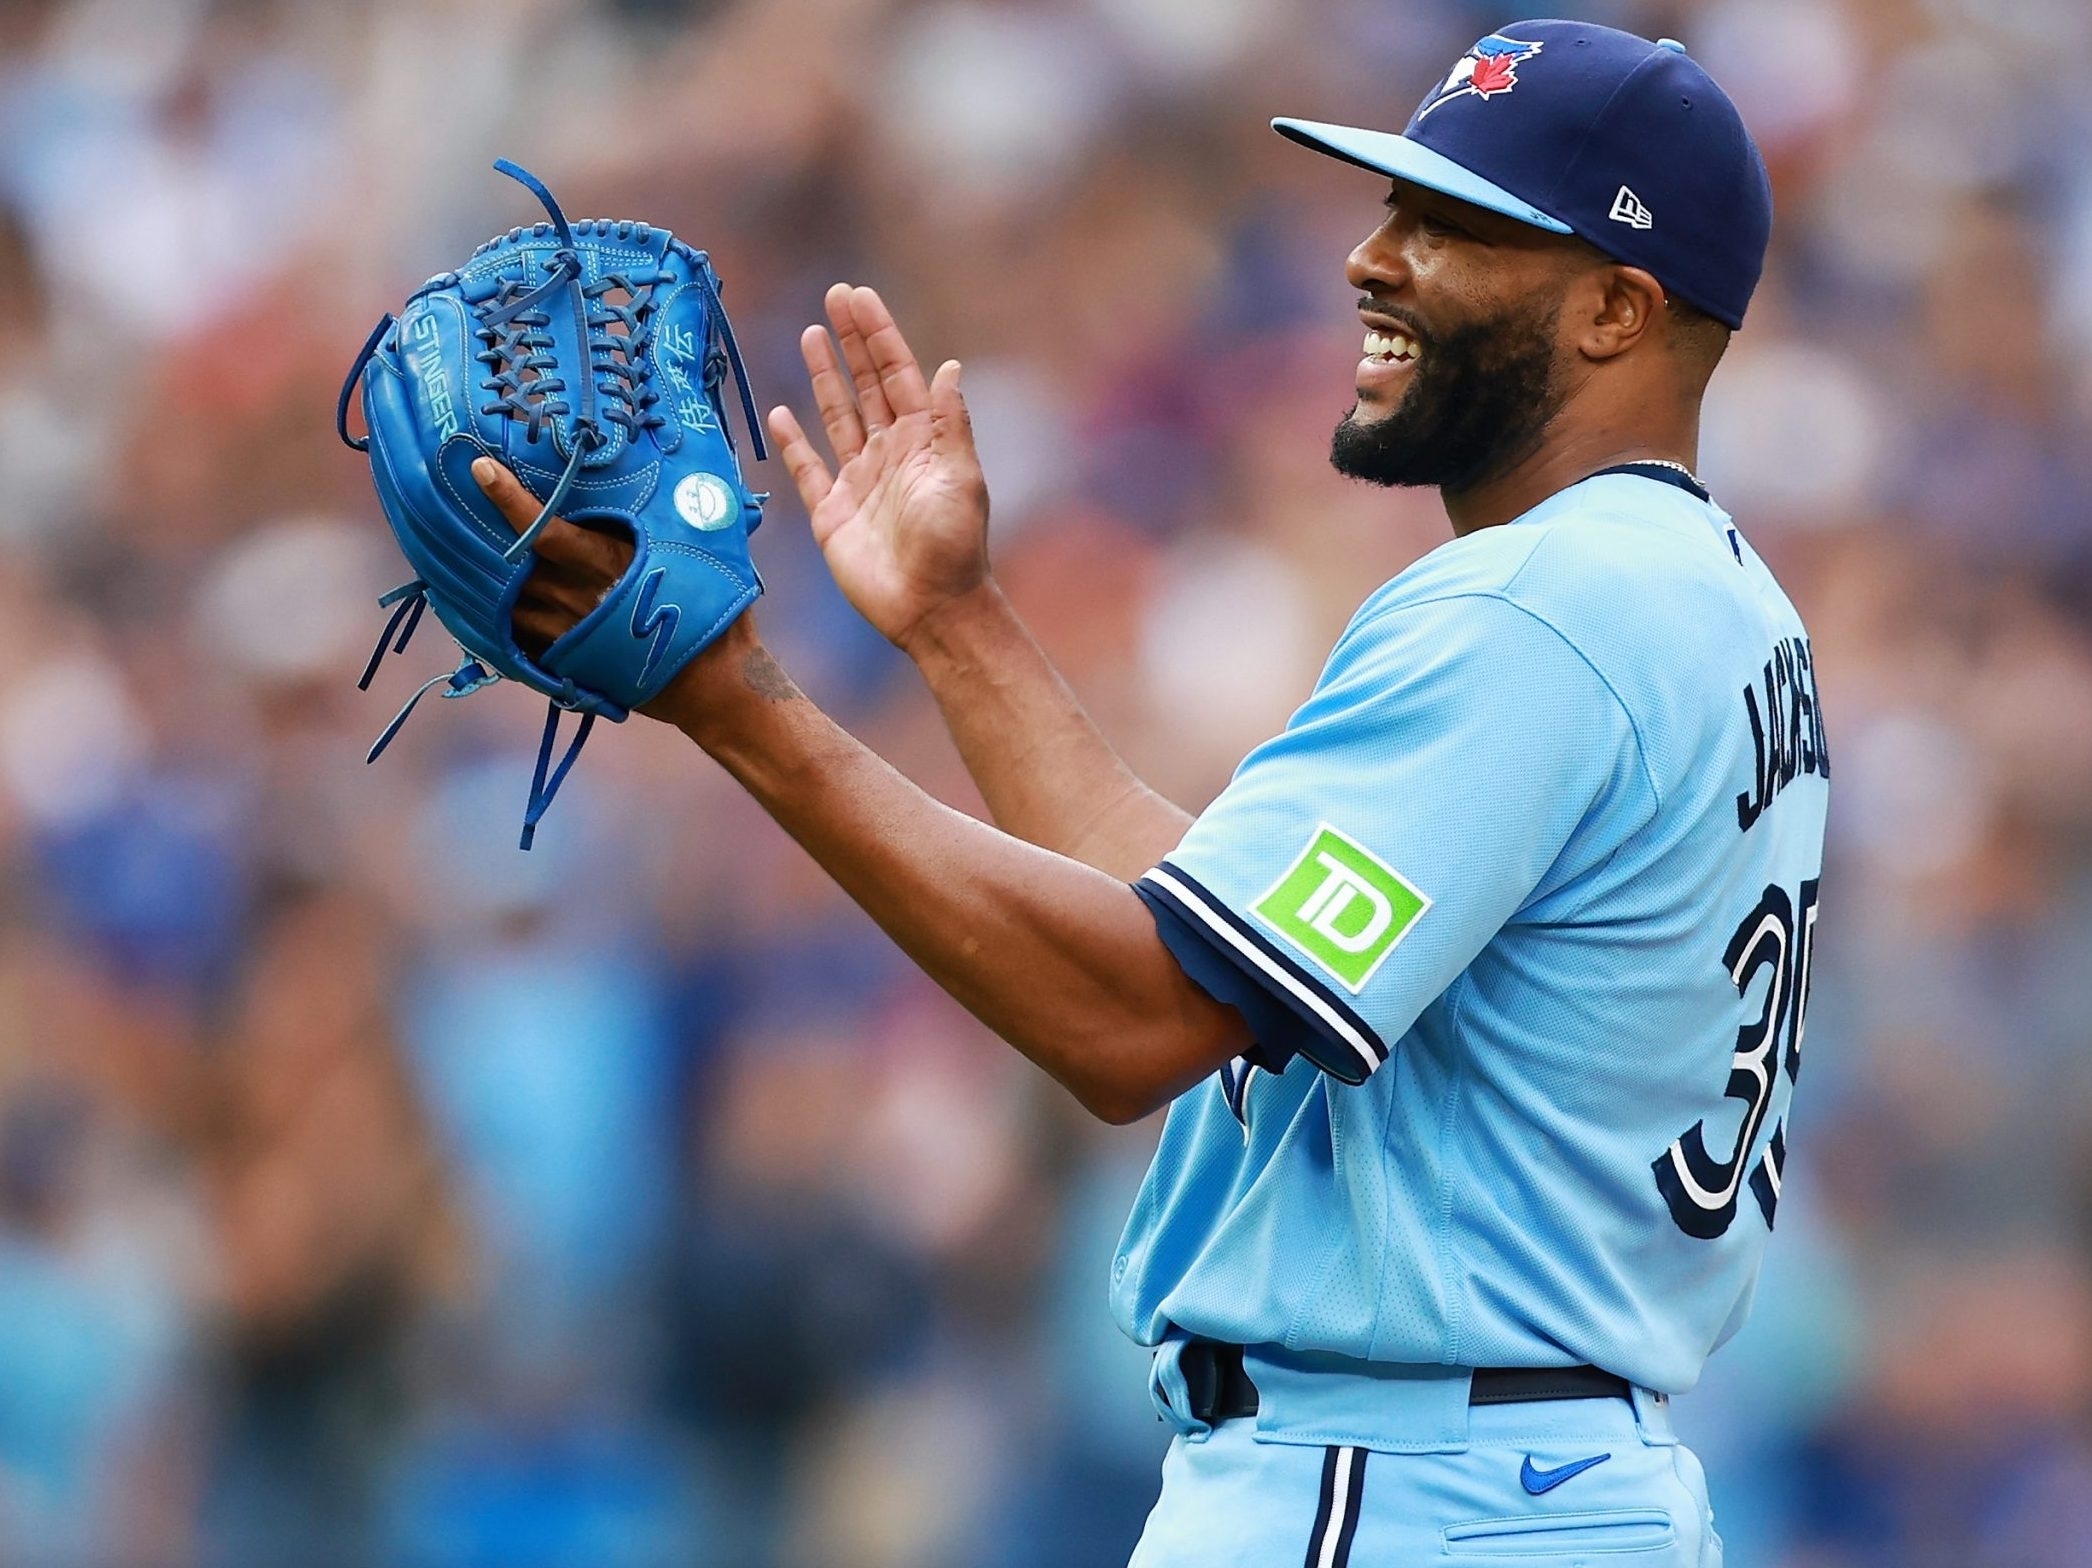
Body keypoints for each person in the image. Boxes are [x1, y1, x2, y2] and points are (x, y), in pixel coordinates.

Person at [469, 20, 1826, 1566]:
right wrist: (956, 626)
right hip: (1540, 1478)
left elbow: (1136, 1025)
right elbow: (1210, 953)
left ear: (1615, 308)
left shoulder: (1536, 610)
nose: (1374, 261)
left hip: (1403, 1485)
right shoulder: (1711, 605)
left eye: (1453, 228)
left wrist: (735, 706)